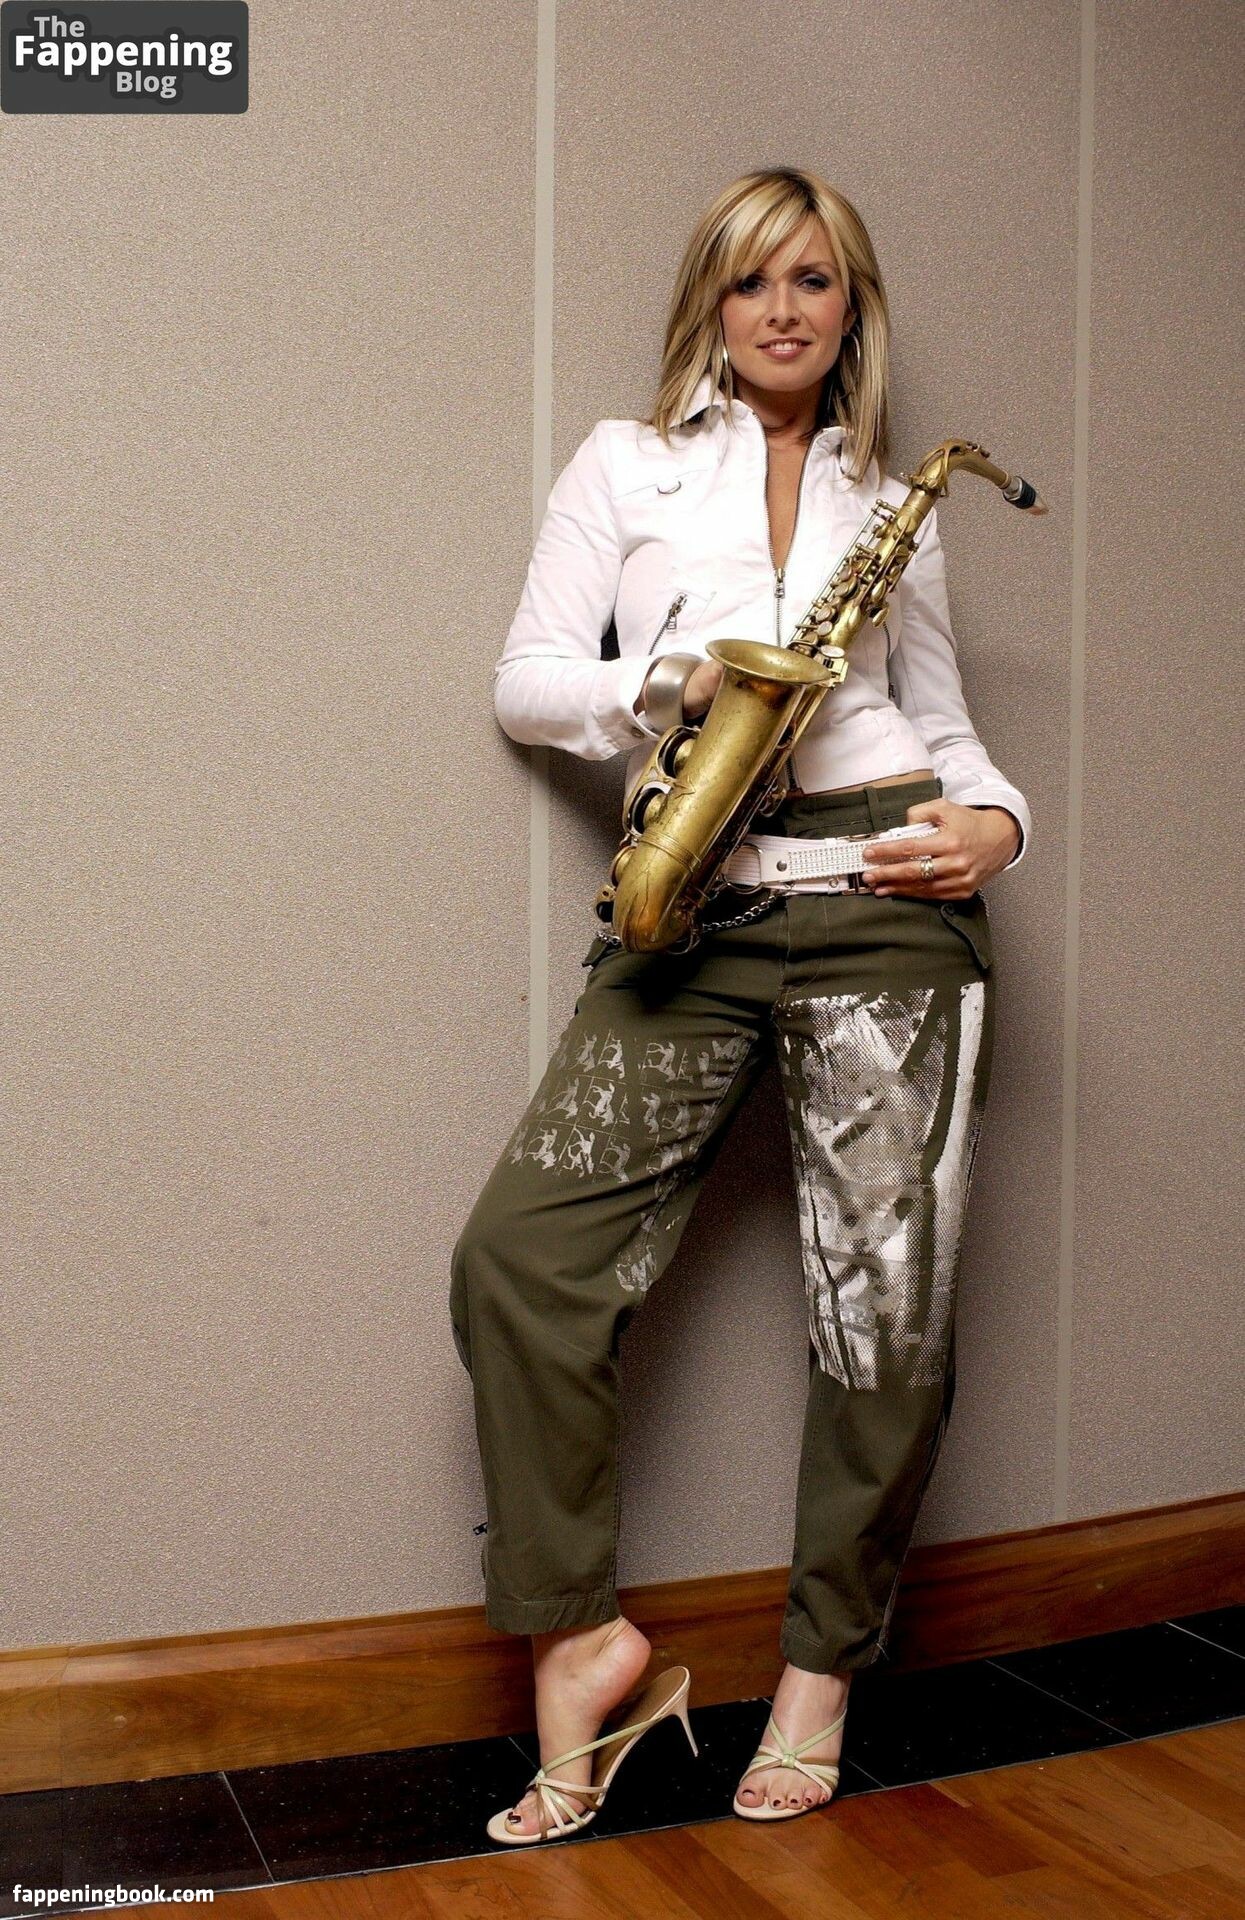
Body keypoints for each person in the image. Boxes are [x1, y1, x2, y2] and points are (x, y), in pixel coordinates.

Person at [450, 165, 1031, 1845]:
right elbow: (525, 681)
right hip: (694, 901)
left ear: (851, 307)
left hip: (889, 908)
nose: (783, 310)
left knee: (883, 1320)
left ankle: (817, 1677)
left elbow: (945, 724)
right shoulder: (623, 462)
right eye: (751, 280)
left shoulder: (888, 499)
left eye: (815, 280)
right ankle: (583, 1642)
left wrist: (995, 828)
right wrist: (674, 680)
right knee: (519, 1262)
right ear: (709, 301)